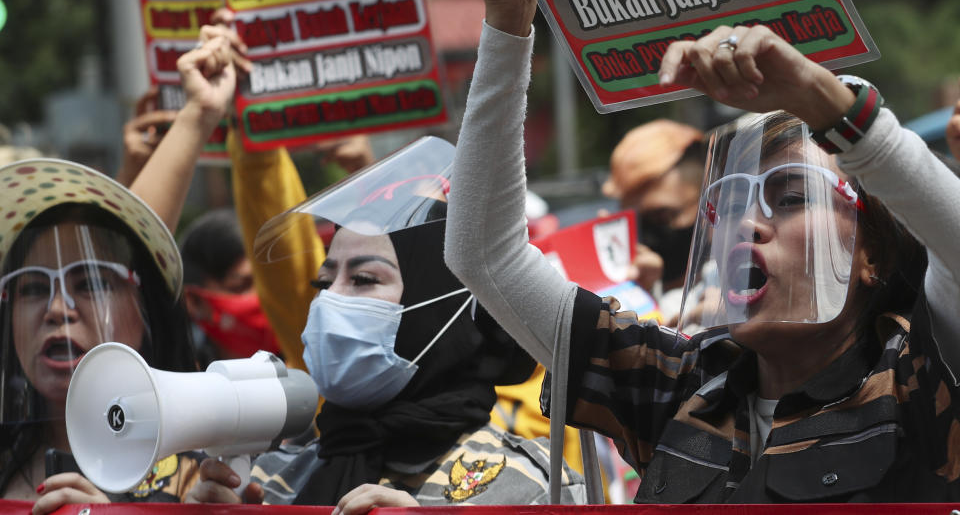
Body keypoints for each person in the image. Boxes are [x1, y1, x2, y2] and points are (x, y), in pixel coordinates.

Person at [445, 0, 960, 503]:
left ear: (872, 256)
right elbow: (485, 256)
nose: (747, 224)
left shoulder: (918, 378)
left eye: (791, 196)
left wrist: (822, 100)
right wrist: (508, 26)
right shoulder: (677, 388)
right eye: (733, 203)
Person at [184, 138, 586, 510]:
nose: (331, 300)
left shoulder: (532, 489)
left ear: (434, 310)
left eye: (363, 280)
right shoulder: (266, 482)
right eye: (323, 283)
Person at [0, 160, 201, 511]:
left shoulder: (201, 480)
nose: (57, 309)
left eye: (91, 283)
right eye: (32, 288)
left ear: (146, 308)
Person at [602, 119, 706, 324]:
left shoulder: (734, 295)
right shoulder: (626, 295)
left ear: (710, 201)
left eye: (663, 216)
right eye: (633, 221)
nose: (646, 233)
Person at [178, 208, 280, 366]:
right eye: (240, 285)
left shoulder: (307, 368)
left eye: (268, 283)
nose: (259, 296)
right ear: (193, 301)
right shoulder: (180, 379)